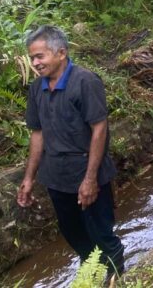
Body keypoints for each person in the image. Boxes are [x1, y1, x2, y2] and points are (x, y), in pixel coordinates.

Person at [17, 25, 124, 275]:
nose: (35, 63)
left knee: (101, 233)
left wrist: (89, 180)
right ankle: (94, 275)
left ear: (61, 53)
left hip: (87, 172)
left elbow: (99, 129)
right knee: (73, 233)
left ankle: (118, 276)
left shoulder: (85, 81)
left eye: (40, 56)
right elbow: (37, 133)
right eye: (32, 58)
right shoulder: (37, 89)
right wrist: (29, 178)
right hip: (56, 177)